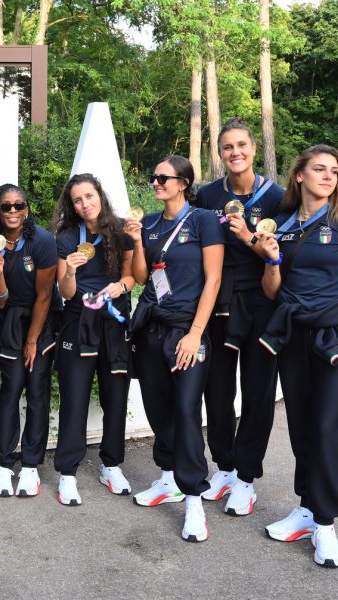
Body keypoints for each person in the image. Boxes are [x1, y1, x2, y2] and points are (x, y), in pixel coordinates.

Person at [124, 155, 224, 542]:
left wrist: (196, 333)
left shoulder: (202, 221)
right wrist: (135, 241)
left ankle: (194, 498)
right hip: (151, 327)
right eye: (153, 177)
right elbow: (140, 277)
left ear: (183, 182)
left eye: (163, 178)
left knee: (184, 409)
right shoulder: (148, 222)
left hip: (187, 331)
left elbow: (212, 280)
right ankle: (168, 479)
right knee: (158, 407)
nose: (155, 183)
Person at [194, 118, 285, 515]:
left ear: (252, 148)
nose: (236, 153)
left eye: (242, 145)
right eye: (228, 147)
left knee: (258, 392)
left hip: (262, 303)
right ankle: (226, 465)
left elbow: (281, 256)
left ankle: (246, 478)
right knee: (216, 390)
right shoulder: (207, 195)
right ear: (220, 153)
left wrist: (248, 236)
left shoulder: (279, 197)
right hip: (218, 302)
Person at [256, 144, 338, 567]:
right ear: (300, 176)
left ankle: (325, 523)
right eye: (319, 169)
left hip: (332, 337)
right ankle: (307, 508)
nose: (328, 177)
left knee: (326, 428)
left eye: (334, 171)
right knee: (303, 427)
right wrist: (271, 259)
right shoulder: (285, 225)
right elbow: (273, 291)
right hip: (292, 334)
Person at [54, 174, 135, 505]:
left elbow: (133, 274)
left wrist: (122, 286)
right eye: (77, 200)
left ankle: (111, 464)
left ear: (100, 196)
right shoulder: (67, 236)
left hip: (114, 322)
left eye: (89, 196)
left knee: (116, 396)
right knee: (74, 397)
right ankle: (67, 473)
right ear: (71, 205)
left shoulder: (121, 229)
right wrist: (70, 271)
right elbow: (65, 291)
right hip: (78, 322)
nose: (85, 204)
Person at [0, 183, 59, 498]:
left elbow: (44, 296)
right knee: (9, 390)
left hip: (39, 319)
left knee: (37, 391)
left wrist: (32, 341)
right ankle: (3, 462)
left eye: (19, 205)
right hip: (7, 319)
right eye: (6, 207)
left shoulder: (41, 240)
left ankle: (30, 466)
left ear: (27, 209)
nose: (13, 212)